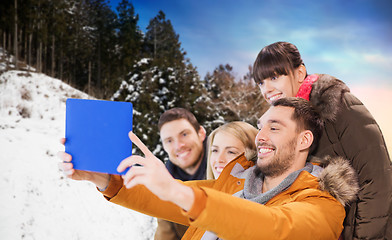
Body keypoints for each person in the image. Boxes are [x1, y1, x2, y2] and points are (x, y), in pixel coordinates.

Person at [60, 97, 359, 239]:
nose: (261, 136)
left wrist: (179, 192)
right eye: (260, 126)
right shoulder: (234, 183)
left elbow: (277, 226)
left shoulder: (322, 202)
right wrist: (103, 179)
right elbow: (162, 199)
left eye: (275, 127)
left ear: (304, 139)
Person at [252, 41, 392, 240]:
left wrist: (363, 237)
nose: (267, 89)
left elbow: (377, 176)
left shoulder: (340, 106)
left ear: (300, 73)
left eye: (274, 77)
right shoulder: (285, 121)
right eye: (261, 83)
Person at [155, 108, 207, 240]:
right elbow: (165, 235)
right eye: (169, 141)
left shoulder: (224, 168)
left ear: (201, 133)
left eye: (184, 134)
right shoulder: (166, 188)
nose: (179, 145)